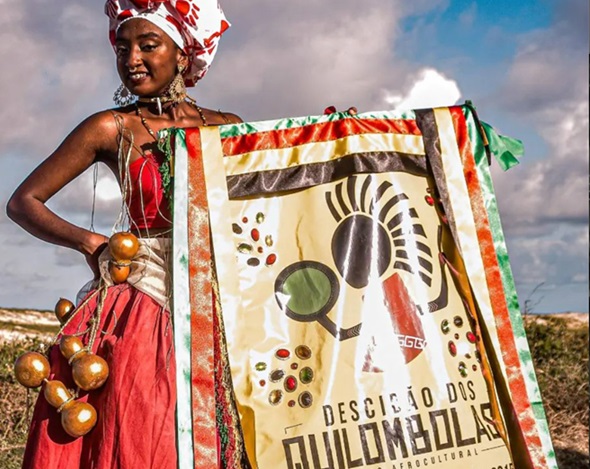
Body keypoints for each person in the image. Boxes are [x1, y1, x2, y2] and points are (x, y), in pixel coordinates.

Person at [6, 1, 245, 468]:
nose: (131, 58)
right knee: (142, 428)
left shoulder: (227, 127)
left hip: (218, 301)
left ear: (183, 52)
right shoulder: (110, 128)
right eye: (122, 47)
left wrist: (346, 134)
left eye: (147, 45)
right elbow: (23, 202)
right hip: (141, 300)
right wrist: (91, 243)